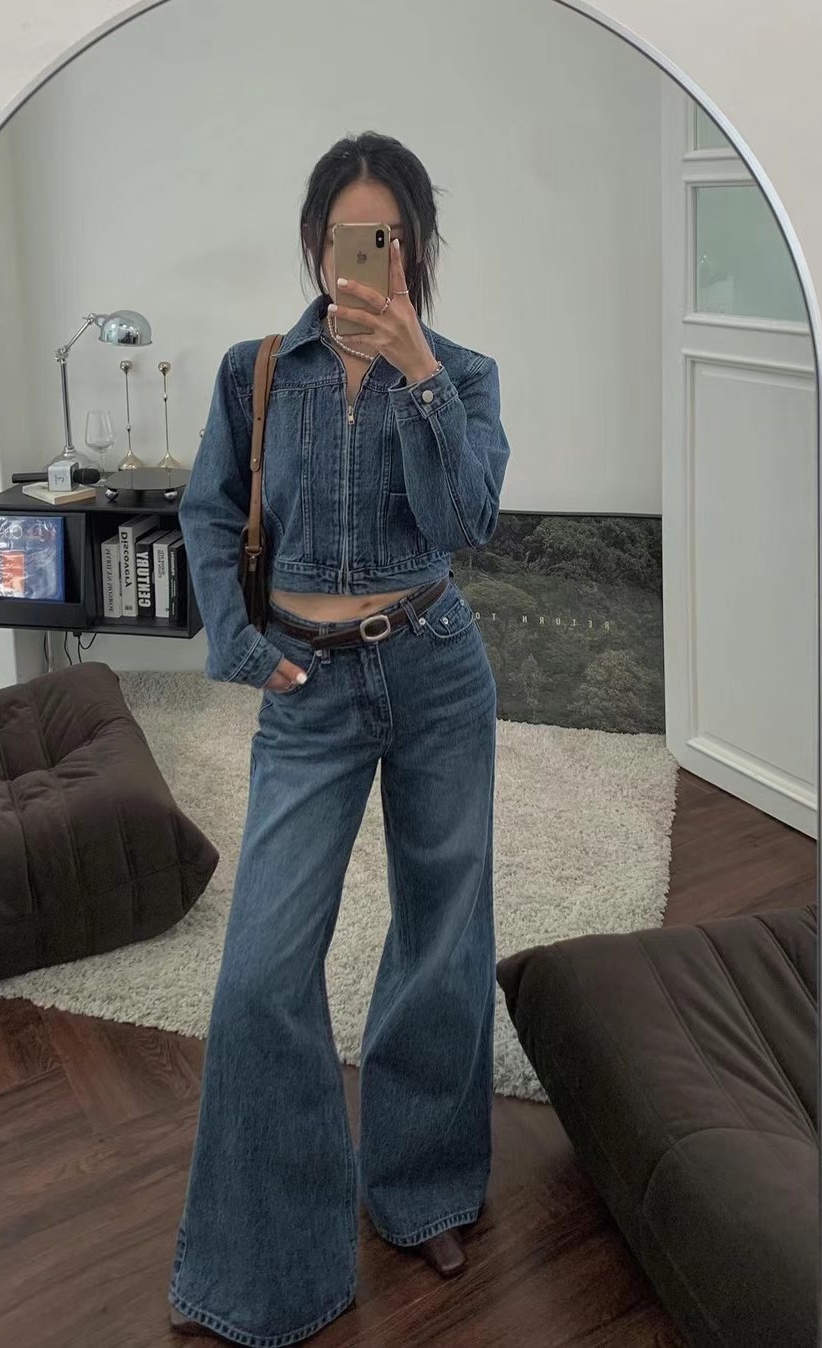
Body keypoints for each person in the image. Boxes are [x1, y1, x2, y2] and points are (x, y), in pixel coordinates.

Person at [170, 131, 510, 1346]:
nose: (365, 258)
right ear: (316, 244)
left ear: (415, 250)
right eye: (345, 236)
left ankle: (424, 1188)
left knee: (442, 935)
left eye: (389, 239)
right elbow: (209, 513)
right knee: (262, 970)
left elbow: (467, 519)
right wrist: (239, 643)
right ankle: (269, 1269)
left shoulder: (464, 375)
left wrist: (419, 375)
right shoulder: (256, 372)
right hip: (307, 690)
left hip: (434, 668)